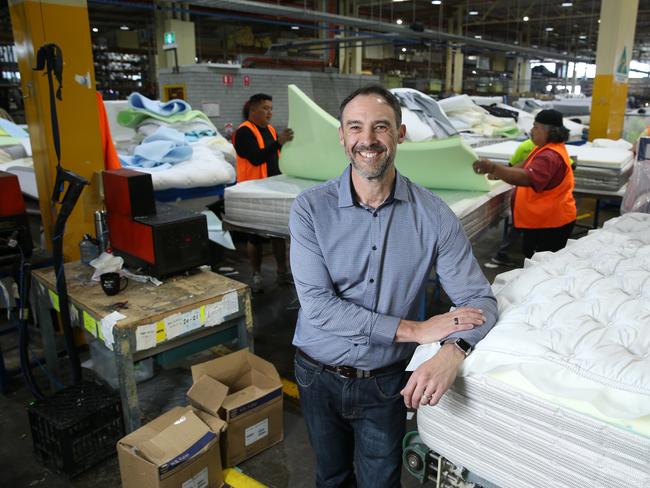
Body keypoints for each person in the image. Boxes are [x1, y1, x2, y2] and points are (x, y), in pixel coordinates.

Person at [289, 85, 498, 487]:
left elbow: (480, 300)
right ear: (342, 136)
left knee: (382, 480)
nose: (367, 140)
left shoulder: (433, 215)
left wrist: (453, 351)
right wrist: (418, 331)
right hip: (317, 373)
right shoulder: (310, 209)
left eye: (380, 127)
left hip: (385, 380)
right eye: (355, 127)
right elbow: (317, 306)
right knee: (330, 477)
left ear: (400, 134)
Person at [473, 109, 577, 259]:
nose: (531, 131)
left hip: (550, 224)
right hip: (541, 221)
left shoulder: (550, 155)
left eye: (536, 127)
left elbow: (527, 177)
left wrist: (493, 168)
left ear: (550, 131)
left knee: (540, 266)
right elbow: (524, 165)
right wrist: (497, 174)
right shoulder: (543, 149)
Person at [233, 93, 294, 292]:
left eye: (271, 108)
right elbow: (256, 158)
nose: (269, 112)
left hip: (272, 188)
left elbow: (275, 157)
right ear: (253, 110)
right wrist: (279, 142)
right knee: (255, 237)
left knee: (277, 234)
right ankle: (256, 275)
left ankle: (282, 273)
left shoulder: (270, 130)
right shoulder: (243, 132)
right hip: (253, 190)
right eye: (265, 108)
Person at [490, 138, 535, 266]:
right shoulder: (535, 149)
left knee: (520, 225)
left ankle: (503, 253)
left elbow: (512, 166)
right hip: (526, 196)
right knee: (520, 225)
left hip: (527, 195)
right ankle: (502, 253)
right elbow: (512, 168)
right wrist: (495, 170)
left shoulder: (536, 148)